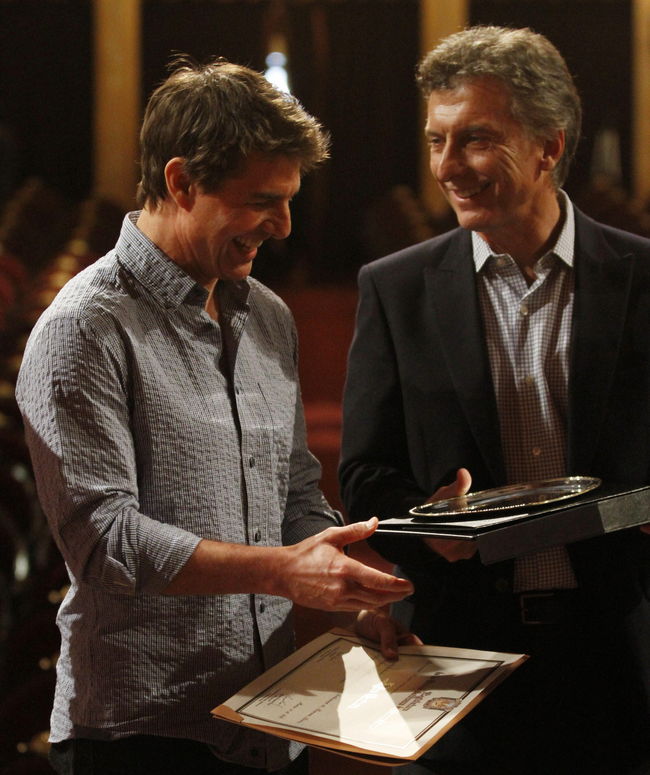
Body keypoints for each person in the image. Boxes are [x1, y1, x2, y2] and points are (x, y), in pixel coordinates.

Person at [15, 57, 414, 775]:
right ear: (180, 182)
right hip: (141, 735)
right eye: (263, 200)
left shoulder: (268, 315)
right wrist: (284, 574)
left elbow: (293, 490)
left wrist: (346, 587)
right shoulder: (85, 327)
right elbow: (105, 543)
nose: (284, 226)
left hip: (272, 717)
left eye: (289, 201)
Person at [339, 26, 650, 775]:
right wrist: (428, 523)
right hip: (457, 659)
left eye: (475, 140)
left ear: (549, 145)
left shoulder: (642, 279)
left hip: (620, 653)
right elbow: (364, 477)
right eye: (436, 140)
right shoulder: (395, 288)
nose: (447, 167)